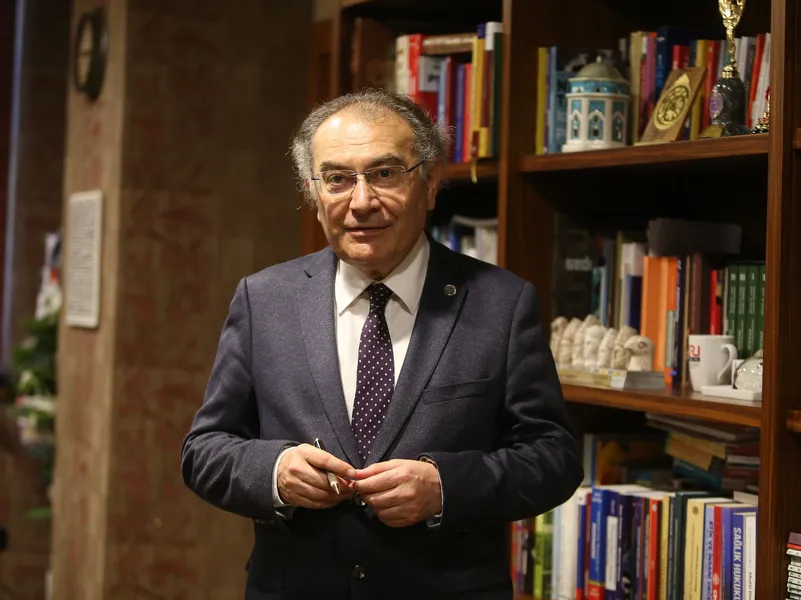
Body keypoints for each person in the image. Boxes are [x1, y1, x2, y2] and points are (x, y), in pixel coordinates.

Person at [181, 88, 583, 600]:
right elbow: (204, 450)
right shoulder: (264, 300)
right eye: (337, 179)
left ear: (431, 182)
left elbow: (554, 458)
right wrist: (275, 472)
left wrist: (444, 488)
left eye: (385, 173)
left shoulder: (501, 304)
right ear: (313, 192)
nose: (361, 201)